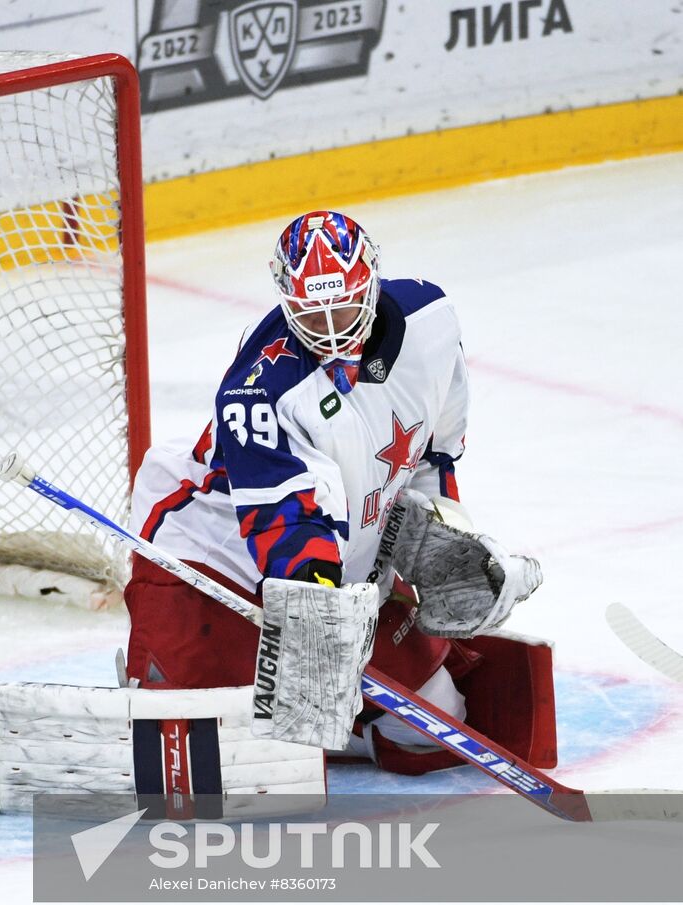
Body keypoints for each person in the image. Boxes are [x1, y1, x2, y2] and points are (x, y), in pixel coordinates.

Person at [124, 210, 556, 773]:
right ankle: (161, 673)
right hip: (217, 546)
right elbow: (286, 521)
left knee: (433, 730)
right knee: (217, 759)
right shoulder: (257, 392)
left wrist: (443, 536)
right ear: (285, 299)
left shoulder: (431, 323)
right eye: (311, 312)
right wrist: (323, 613)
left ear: (370, 281)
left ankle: (339, 730)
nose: (331, 329)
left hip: (347, 559)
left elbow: (433, 454)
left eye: (345, 307)